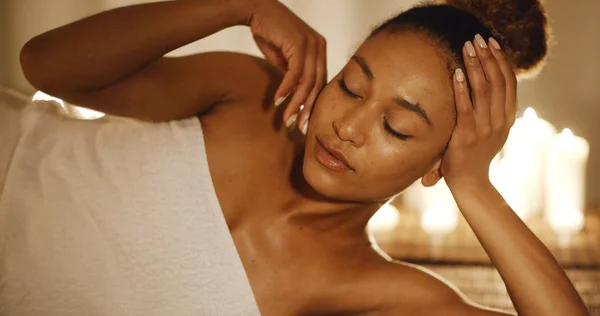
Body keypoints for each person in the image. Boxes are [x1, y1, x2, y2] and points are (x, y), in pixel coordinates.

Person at [16, 0, 589, 315]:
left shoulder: (380, 291)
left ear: (435, 164)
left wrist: (476, 187)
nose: (346, 125)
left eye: (395, 125)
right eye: (350, 86)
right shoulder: (249, 94)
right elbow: (46, 66)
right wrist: (236, 4)